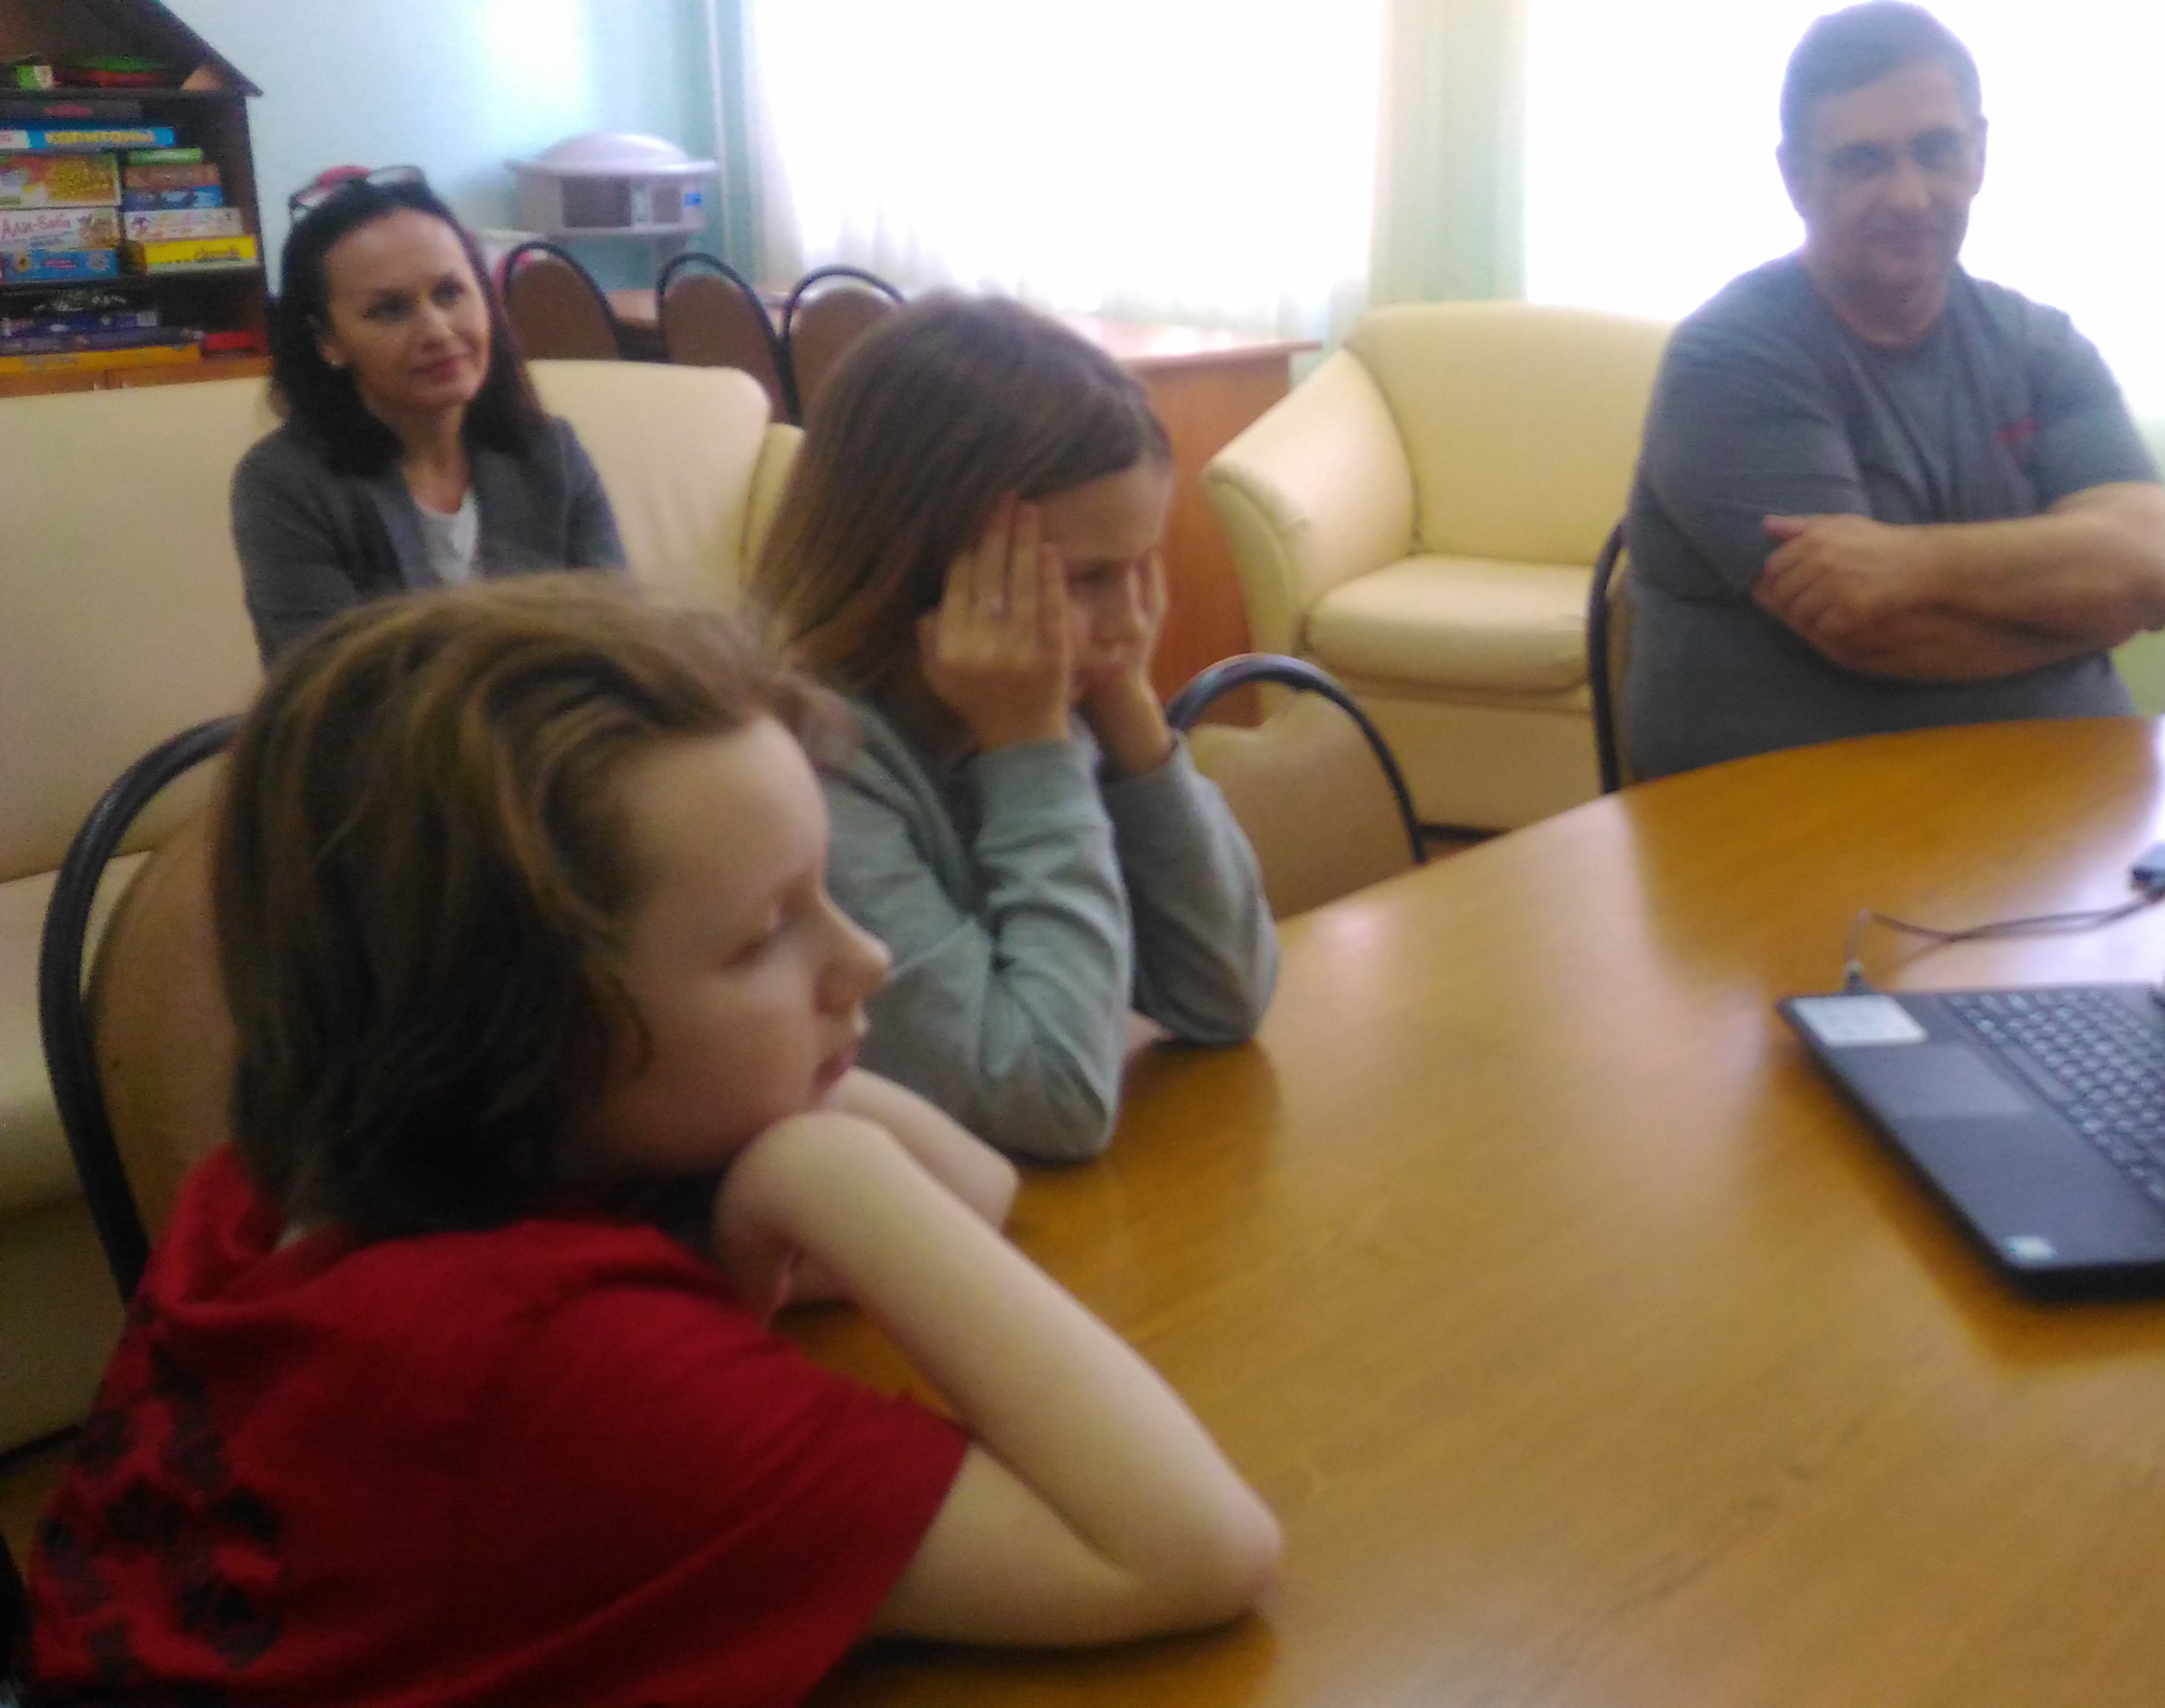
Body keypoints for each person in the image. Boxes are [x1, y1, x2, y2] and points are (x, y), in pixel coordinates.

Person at [18, 578, 1280, 1707]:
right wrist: (826, 1169)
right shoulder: (562, 1371)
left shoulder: (289, 1177)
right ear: (519, 1033)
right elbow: (1188, 1548)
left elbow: (975, 1187)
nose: (866, 957)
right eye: (763, 934)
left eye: (827, 892)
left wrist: (789, 1149)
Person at [750, 296, 1277, 1163]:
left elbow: (1224, 993)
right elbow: (1053, 1096)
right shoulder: (806, 771)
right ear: (918, 568)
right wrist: (1031, 758)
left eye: (1141, 569)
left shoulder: (1029, 700)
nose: (1128, 622)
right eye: (1086, 580)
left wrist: (1131, 717)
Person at [1620, 1, 2165, 779]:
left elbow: (2149, 571)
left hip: (2063, 800)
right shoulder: (1729, 360)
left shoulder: (2040, 343)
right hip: (1788, 819)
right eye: (1862, 162)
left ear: (1979, 154)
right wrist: (2086, 617)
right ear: (1795, 179)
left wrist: (1914, 565)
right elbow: (1873, 634)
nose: (1909, 197)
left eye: (1935, 151)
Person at [232, 171, 623, 664]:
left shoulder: (551, 451)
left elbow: (619, 642)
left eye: (450, 292)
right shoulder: (285, 483)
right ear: (327, 340)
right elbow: (325, 687)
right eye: (389, 310)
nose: (437, 331)